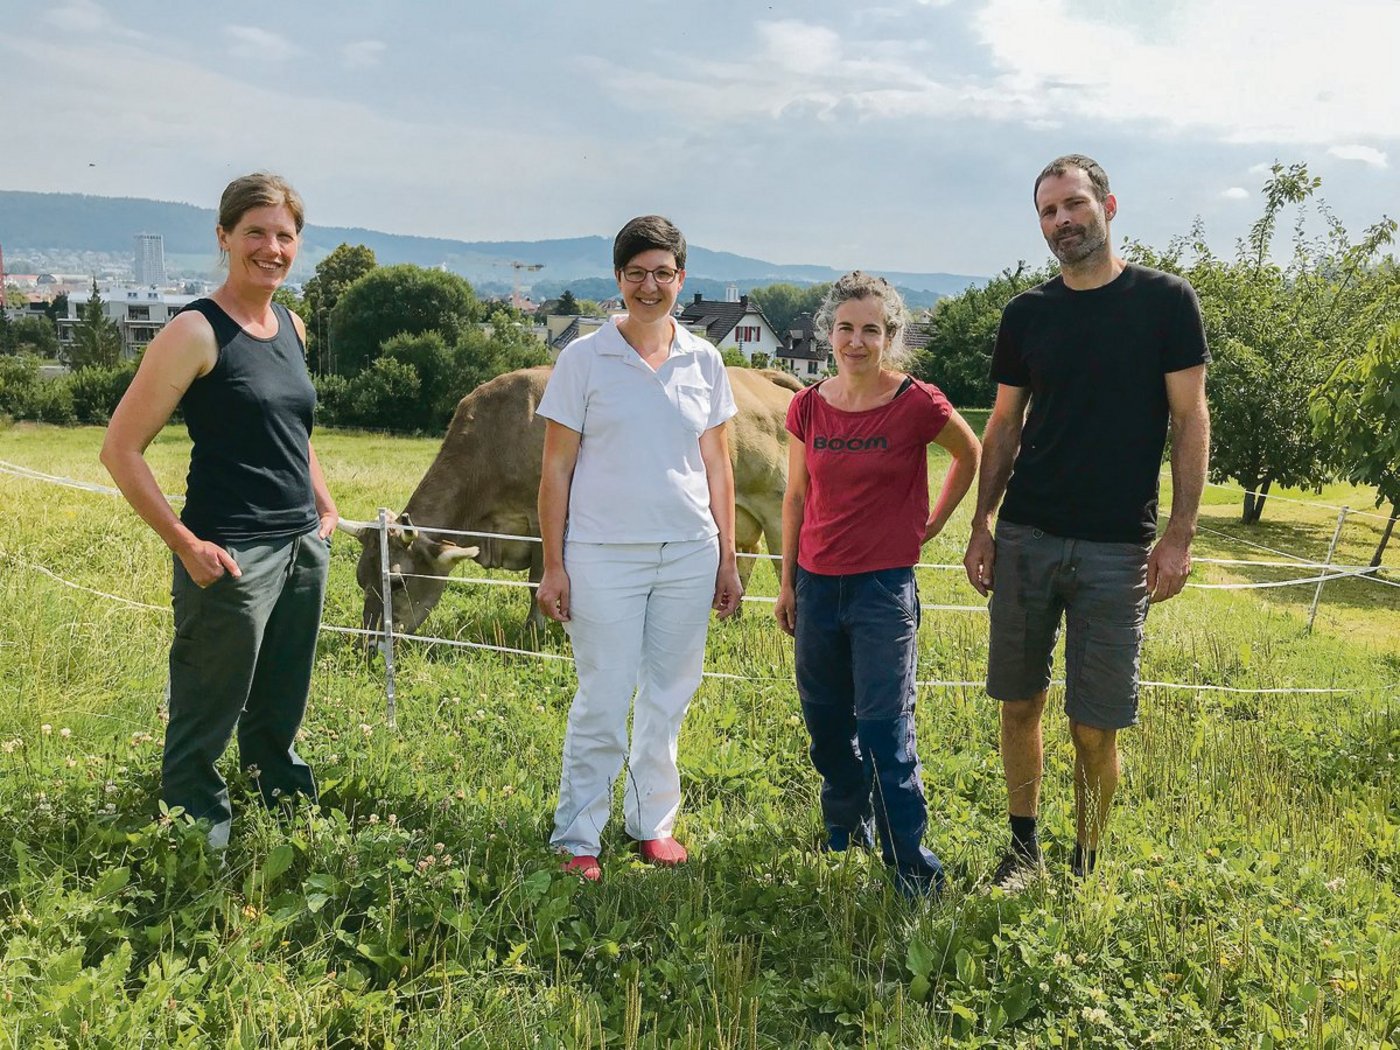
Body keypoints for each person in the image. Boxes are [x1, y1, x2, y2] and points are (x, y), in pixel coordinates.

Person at [962, 154, 1210, 887]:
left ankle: (1086, 863)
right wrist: (981, 523)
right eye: (1048, 211)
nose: (1062, 221)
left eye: (1073, 204)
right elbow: (1004, 425)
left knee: (1095, 725)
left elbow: (1190, 419)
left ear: (1108, 205)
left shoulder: (1166, 302)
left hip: (1118, 547)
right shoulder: (1026, 314)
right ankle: (1023, 850)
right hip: (1027, 535)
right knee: (1019, 703)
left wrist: (1180, 533)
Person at [101, 173, 337, 849]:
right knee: (207, 708)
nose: (271, 248)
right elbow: (120, 449)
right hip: (230, 552)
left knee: (280, 702)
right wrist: (184, 542)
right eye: (255, 232)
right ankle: (196, 843)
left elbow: (293, 432)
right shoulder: (195, 331)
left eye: (284, 235)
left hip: (301, 547)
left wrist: (323, 505)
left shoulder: (290, 326)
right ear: (224, 237)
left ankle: (283, 812)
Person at [535, 215, 742, 881]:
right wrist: (554, 564)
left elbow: (717, 467)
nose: (649, 286)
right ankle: (578, 834)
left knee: (669, 695)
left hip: (689, 552)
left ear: (682, 278)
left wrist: (728, 557)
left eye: (662, 274)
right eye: (636, 274)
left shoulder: (704, 360)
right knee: (603, 695)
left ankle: (652, 823)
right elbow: (556, 470)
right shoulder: (583, 358)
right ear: (618, 279)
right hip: (601, 554)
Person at [774, 272, 981, 896]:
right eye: (845, 328)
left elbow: (969, 453)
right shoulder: (808, 406)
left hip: (882, 591)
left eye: (870, 329)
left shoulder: (916, 402)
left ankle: (911, 867)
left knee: (886, 730)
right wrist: (787, 583)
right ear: (828, 333)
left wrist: (933, 523)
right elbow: (795, 497)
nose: (856, 341)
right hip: (816, 585)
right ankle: (845, 828)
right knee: (826, 725)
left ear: (890, 336)